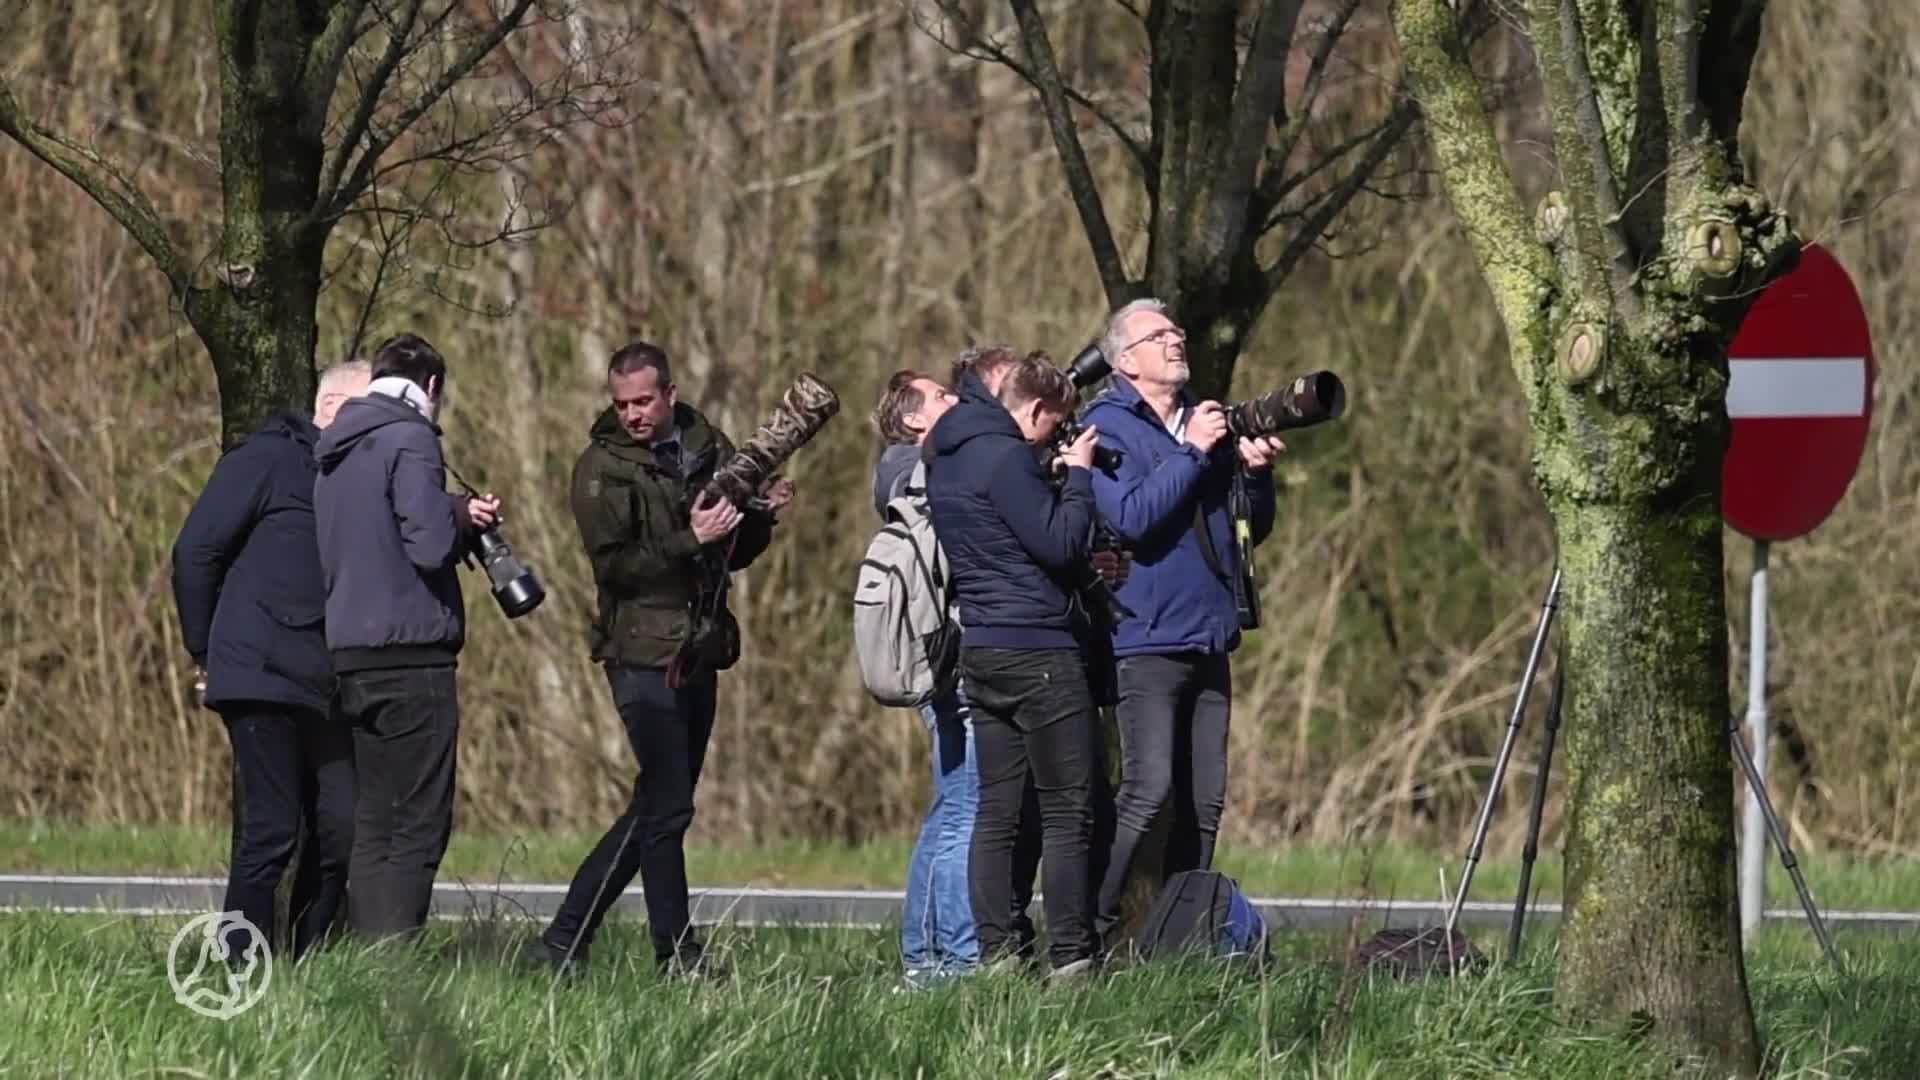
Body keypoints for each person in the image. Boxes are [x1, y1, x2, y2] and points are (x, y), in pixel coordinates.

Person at [535, 341, 794, 979]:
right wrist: (690, 538)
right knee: (669, 806)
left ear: (670, 394)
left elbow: (731, 554)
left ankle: (565, 940)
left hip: (699, 647)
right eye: (622, 403)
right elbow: (615, 567)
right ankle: (677, 957)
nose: (633, 414)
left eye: (644, 401)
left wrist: (760, 519)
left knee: (659, 805)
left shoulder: (709, 444)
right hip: (639, 652)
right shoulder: (600, 468)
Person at [1081, 298, 1283, 939]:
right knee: (1146, 792)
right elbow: (1131, 519)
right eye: (1158, 334)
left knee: (1204, 803)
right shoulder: (1106, 428)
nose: (1176, 339)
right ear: (1125, 360)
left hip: (1210, 635)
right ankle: (1087, 927)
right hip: (1145, 636)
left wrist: (1257, 477)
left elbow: (1246, 528)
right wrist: (1192, 452)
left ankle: (1181, 936)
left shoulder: (1203, 418)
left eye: (1176, 330)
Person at [171, 358, 371, 963]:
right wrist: (204, 650)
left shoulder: (355, 476)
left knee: (341, 827)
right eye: (370, 410)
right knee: (273, 828)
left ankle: (309, 966)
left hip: (325, 680)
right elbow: (195, 552)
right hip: (258, 671)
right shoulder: (266, 459)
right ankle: (239, 965)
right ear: (332, 408)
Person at [313, 333, 501, 942]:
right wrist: (457, 516)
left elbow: (376, 529)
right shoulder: (411, 437)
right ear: (433, 386)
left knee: (375, 820)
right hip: (411, 653)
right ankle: (396, 959)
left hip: (350, 652)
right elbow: (429, 544)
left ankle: (370, 958)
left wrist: (449, 509)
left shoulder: (335, 448)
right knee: (419, 821)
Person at [925, 350, 1104, 978]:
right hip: (1040, 651)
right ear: (1034, 407)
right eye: (1051, 424)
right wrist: (1077, 477)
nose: (1052, 436)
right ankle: (1071, 958)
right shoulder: (1005, 458)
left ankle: (998, 952)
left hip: (983, 649)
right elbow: (1060, 543)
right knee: (1067, 810)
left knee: (998, 811)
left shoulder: (945, 456)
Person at [869, 369, 974, 988]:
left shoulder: (913, 467)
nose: (955, 401)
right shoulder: (909, 469)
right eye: (941, 397)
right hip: (946, 660)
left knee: (953, 806)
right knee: (963, 808)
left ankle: (927, 956)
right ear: (912, 418)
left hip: (940, 656)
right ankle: (948, 960)